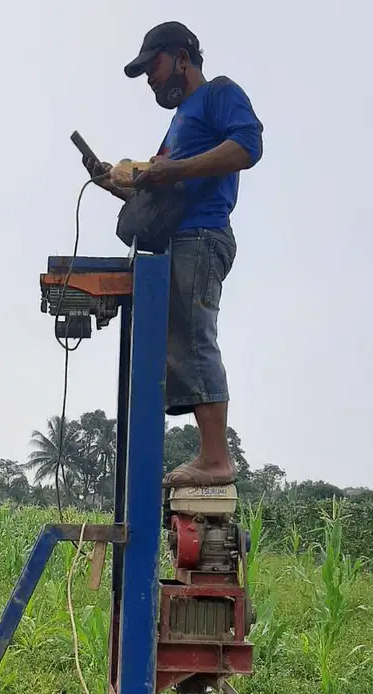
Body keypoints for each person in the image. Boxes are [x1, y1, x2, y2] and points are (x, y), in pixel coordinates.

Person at [86, 22, 264, 487]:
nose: (150, 78)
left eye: (154, 66)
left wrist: (174, 169)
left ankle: (216, 459)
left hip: (203, 235)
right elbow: (161, 197)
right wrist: (114, 183)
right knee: (177, 343)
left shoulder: (219, 93)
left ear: (182, 58)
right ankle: (203, 455)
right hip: (177, 238)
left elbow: (248, 145)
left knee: (193, 333)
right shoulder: (180, 123)